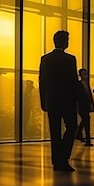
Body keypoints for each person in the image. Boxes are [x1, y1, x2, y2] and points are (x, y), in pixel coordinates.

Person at [38, 30, 79, 172]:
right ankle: (63, 157)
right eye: (67, 40)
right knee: (72, 127)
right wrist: (77, 101)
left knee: (55, 131)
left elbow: (42, 82)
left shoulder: (45, 59)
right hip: (68, 101)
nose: (68, 42)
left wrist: (44, 101)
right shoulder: (70, 59)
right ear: (63, 41)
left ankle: (57, 161)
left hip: (52, 101)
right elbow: (73, 82)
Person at [75, 68, 94, 147]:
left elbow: (89, 96)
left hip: (85, 105)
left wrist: (92, 104)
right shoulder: (79, 84)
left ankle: (80, 135)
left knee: (86, 120)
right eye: (84, 74)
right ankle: (81, 135)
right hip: (82, 106)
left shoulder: (85, 84)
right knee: (86, 120)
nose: (85, 76)